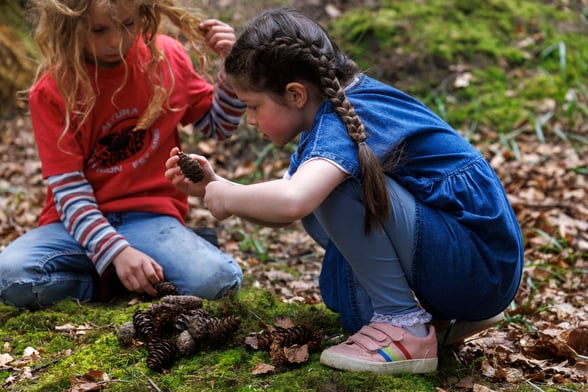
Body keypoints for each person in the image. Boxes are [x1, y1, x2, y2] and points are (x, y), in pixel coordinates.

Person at [165, 8, 524, 375]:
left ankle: (404, 326)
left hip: (477, 267)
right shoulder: (340, 108)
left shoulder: (343, 122)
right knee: (346, 300)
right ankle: (433, 318)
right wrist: (215, 187)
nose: (251, 120)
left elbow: (293, 200)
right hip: (475, 264)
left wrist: (229, 196)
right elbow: (284, 207)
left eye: (253, 106)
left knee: (334, 191)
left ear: (295, 94)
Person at [0, 0, 245, 309]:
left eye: (127, 25)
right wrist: (116, 252)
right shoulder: (54, 88)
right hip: (72, 226)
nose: (115, 41)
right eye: (99, 30)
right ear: (70, 26)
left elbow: (218, 126)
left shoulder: (165, 57)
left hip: (150, 219)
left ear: (144, 14)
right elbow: (69, 190)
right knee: (10, 276)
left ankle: (142, 266)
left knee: (219, 281)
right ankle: (114, 278)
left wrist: (231, 69)